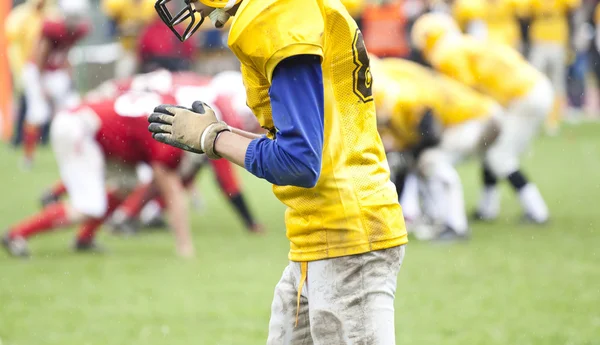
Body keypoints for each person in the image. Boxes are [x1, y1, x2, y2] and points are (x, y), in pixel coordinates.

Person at [149, 0, 407, 343]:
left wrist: (213, 137)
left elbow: (299, 162)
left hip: (345, 235)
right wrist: (217, 135)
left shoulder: (277, 13)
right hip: (320, 234)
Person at [2, 88, 194, 258]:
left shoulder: (167, 106)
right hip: (81, 130)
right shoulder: (171, 140)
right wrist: (185, 245)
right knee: (89, 207)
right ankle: (16, 234)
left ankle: (84, 239)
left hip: (89, 126)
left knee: (127, 184)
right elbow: (172, 192)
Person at [412, 12, 552, 225]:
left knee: (499, 156)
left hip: (523, 96)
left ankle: (537, 210)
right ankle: (488, 207)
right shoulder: (460, 44)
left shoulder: (447, 53)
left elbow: (464, 91)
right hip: (528, 91)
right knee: (491, 150)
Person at [372, 57, 501, 240]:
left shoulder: (401, 96)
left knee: (432, 162)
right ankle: (437, 219)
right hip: (474, 116)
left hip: (478, 118)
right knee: (421, 163)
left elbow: (429, 134)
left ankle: (455, 225)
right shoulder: (396, 83)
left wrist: (409, 156)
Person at [21, 0, 91, 169]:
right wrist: (41, 86)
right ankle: (28, 158)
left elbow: (65, 51)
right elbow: (40, 58)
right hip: (37, 71)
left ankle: (75, 151)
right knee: (38, 113)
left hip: (55, 70)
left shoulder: (79, 30)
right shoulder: (52, 29)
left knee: (73, 108)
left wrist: (68, 72)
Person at [521, 0, 581, 135]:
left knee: (557, 83)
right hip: (538, 41)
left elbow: (573, 10)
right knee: (533, 83)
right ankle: (532, 121)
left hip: (558, 40)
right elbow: (523, 13)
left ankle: (553, 120)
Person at [5, 0, 51, 147]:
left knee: (37, 103)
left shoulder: (47, 13)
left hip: (39, 66)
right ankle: (20, 137)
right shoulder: (22, 15)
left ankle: (41, 137)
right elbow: (12, 36)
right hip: (25, 64)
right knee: (27, 101)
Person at [102, 0, 156, 78]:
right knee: (124, 77)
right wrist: (125, 29)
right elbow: (111, 31)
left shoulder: (151, 5)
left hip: (148, 52)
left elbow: (158, 28)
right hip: (128, 50)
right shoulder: (119, 4)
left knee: (150, 78)